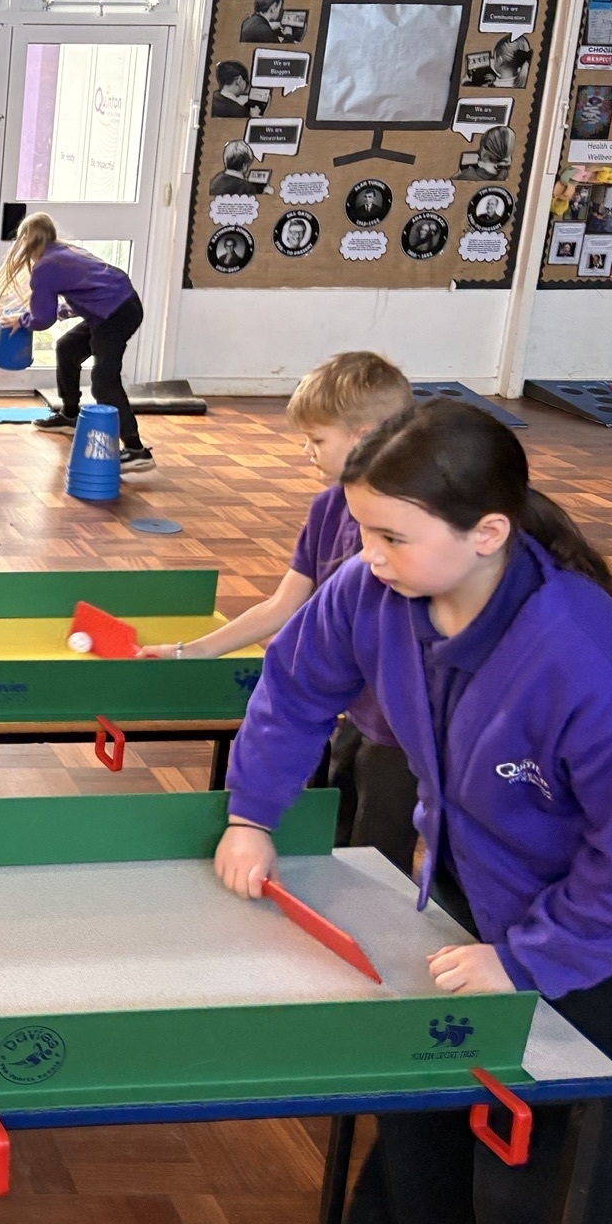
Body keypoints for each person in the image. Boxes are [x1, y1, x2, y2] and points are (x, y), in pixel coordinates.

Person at [213, 400, 612, 1224]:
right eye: (361, 529)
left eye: (393, 537)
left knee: (541, 1183)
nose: (369, 555)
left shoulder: (588, 660)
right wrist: (253, 813)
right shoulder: (371, 591)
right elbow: (295, 689)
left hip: (601, 945)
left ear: (487, 534)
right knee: (422, 1127)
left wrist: (525, 960)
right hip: (463, 899)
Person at [141, 352, 418, 870]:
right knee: (334, 835)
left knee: (380, 859)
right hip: (351, 711)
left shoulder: (416, 528)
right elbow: (283, 605)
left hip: (406, 732)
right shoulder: (327, 509)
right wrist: (192, 651)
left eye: (317, 440)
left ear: (365, 437)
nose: (305, 451)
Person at [0, 214, 153, 473]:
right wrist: (52, 313)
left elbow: (42, 319)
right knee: (67, 348)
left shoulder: (45, 267)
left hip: (115, 315)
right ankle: (70, 416)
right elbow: (86, 293)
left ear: (25, 241)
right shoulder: (64, 252)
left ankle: (136, 450)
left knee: (104, 381)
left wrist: (22, 321)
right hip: (118, 305)